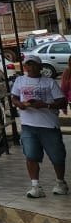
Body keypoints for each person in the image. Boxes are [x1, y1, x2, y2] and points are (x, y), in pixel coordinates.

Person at [11, 58, 69, 198]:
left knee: (57, 157)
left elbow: (62, 102)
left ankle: (60, 183)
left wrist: (45, 105)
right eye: (28, 65)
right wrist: (20, 104)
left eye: (33, 65)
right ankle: (35, 186)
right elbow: (14, 97)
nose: (30, 67)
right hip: (28, 125)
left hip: (48, 125)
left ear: (40, 67)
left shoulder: (49, 82)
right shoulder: (19, 80)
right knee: (31, 155)